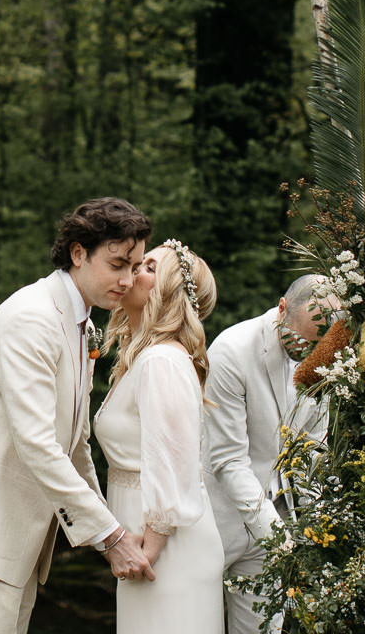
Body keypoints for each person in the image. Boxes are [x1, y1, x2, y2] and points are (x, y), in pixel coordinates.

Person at [0, 197, 158, 634]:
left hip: (22, 540)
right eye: (117, 264)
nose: (128, 280)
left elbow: (76, 445)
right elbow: (37, 444)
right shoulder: (30, 318)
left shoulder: (83, 324)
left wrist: (113, 529)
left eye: (134, 267)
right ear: (78, 253)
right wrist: (111, 537)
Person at [95, 238, 224, 634]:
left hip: (166, 550)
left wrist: (147, 551)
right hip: (145, 541)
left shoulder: (162, 361)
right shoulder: (141, 358)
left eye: (149, 267)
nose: (133, 270)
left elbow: (172, 459)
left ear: (170, 293)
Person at [203, 273, 332, 634]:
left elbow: (312, 449)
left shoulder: (324, 355)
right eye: (299, 340)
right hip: (215, 519)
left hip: (275, 523)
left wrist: (313, 527)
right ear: (282, 308)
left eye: (315, 345)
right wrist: (279, 538)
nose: (306, 352)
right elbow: (228, 459)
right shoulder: (232, 350)